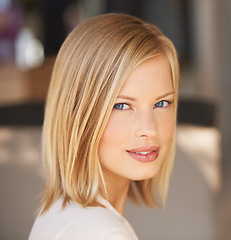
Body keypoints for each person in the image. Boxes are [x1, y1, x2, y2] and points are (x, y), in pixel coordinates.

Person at [29, 13, 179, 240]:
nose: (150, 129)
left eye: (161, 103)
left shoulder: (59, 212)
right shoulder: (106, 234)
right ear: (78, 115)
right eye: (121, 105)